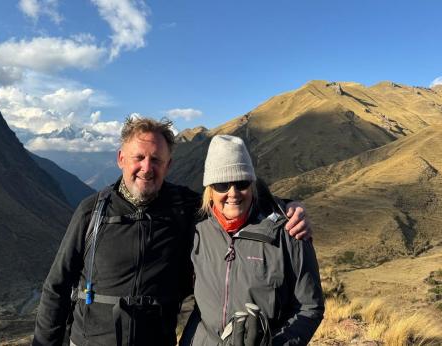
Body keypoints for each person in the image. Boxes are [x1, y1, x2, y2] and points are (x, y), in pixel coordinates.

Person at [32, 118, 312, 346]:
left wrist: (286, 206)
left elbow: (230, 197)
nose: (146, 168)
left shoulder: (184, 206)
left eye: (156, 160)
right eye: (138, 157)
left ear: (168, 165)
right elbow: (56, 287)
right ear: (121, 159)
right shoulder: (92, 211)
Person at [181, 135, 324, 346]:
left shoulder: (288, 232)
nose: (233, 193)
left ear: (253, 184)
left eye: (241, 183)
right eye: (221, 184)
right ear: (209, 189)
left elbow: (309, 307)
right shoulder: (196, 227)